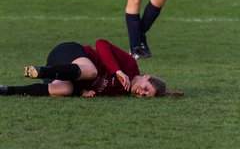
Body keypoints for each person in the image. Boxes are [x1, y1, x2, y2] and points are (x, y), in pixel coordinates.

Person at [0, 39, 183, 98]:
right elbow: (101, 43)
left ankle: (7, 90)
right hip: (68, 53)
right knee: (92, 70)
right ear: (147, 77)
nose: (140, 93)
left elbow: (89, 86)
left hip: (62, 72)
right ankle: (40, 71)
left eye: (144, 96)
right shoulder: (130, 65)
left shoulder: (121, 92)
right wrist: (117, 71)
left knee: (64, 89)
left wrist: (85, 91)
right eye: (145, 89)